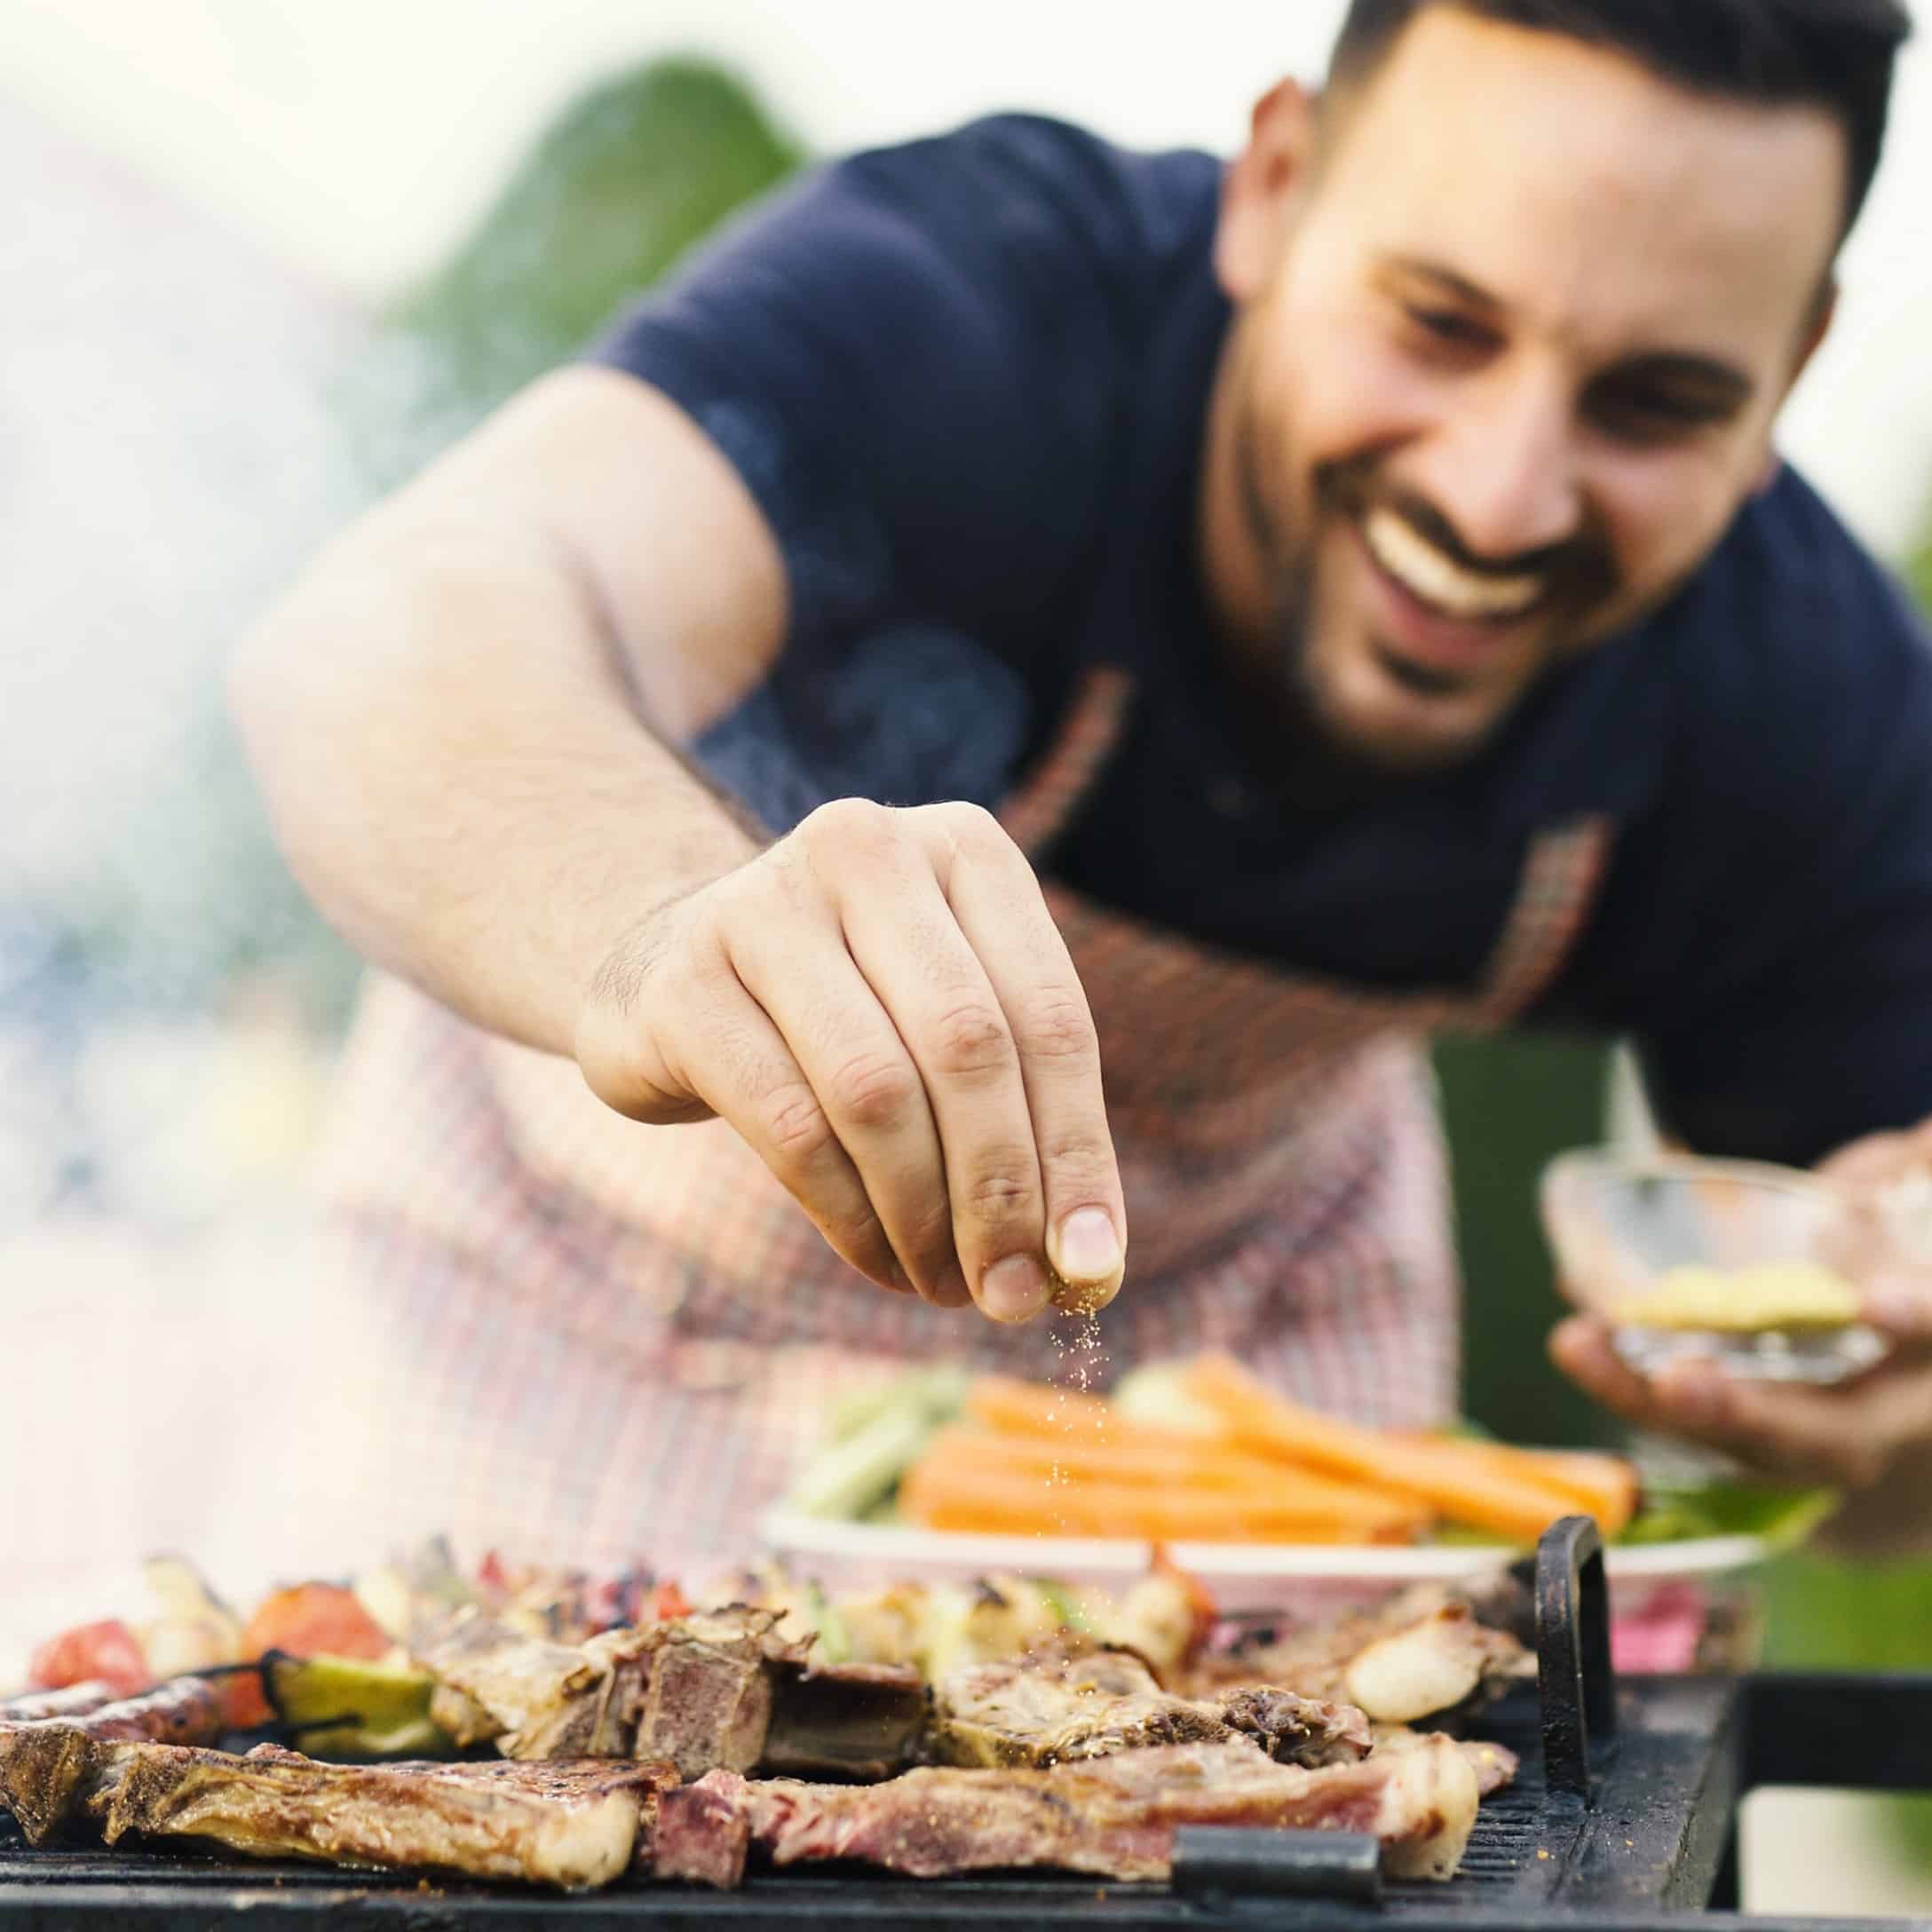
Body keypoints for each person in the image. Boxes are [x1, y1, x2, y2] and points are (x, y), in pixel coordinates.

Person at [233, 0, 1932, 1571]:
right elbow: (389, 634)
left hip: (1244, 1378)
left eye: (1654, 403)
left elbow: (1888, 1472)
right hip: (577, 1317)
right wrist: (663, 936)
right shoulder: (979, 304)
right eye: (1437, 324)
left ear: (1791, 367)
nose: (1497, 501)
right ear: (1273, 188)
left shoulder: (1801, 695)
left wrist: (1885, 1415)